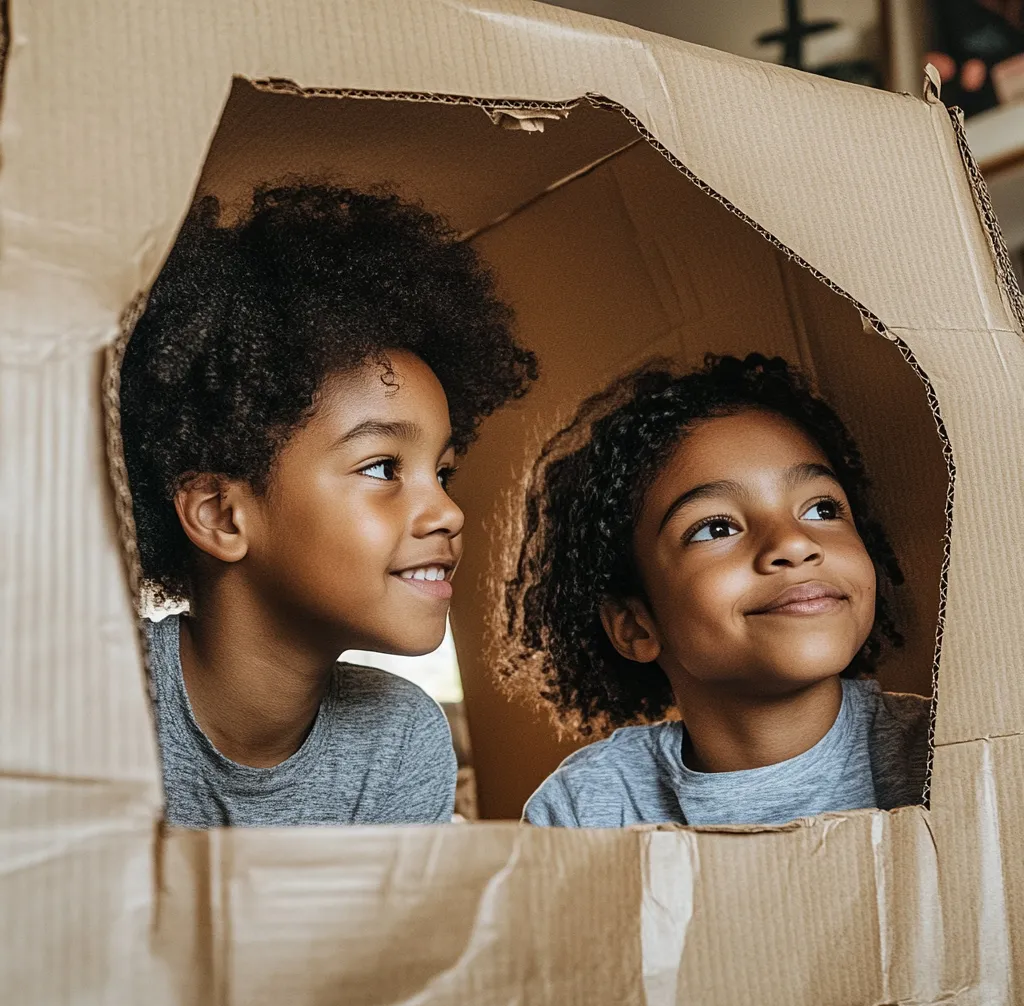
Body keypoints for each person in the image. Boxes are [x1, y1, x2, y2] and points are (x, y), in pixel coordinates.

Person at [119, 183, 536, 828]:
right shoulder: (90, 701)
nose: (449, 512)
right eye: (382, 467)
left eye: (444, 472)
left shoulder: (401, 743)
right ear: (221, 515)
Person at [500, 353, 930, 828]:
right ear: (635, 625)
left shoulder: (945, 752)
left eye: (822, 510)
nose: (793, 543)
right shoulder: (589, 811)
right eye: (716, 528)